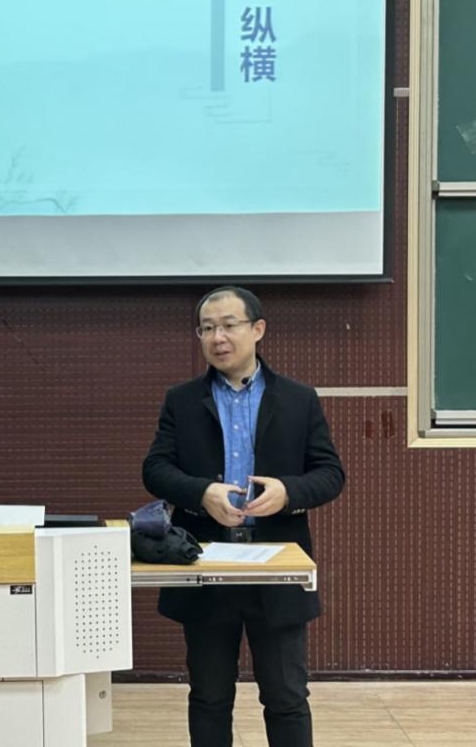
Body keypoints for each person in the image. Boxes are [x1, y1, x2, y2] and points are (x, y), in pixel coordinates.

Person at [142, 286, 345, 747]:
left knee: (286, 696)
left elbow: (330, 474)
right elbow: (155, 469)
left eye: (229, 325)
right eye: (207, 328)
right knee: (209, 696)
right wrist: (201, 493)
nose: (218, 337)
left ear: (258, 330)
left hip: (276, 567)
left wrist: (288, 492)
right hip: (206, 563)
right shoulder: (181, 400)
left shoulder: (298, 398)